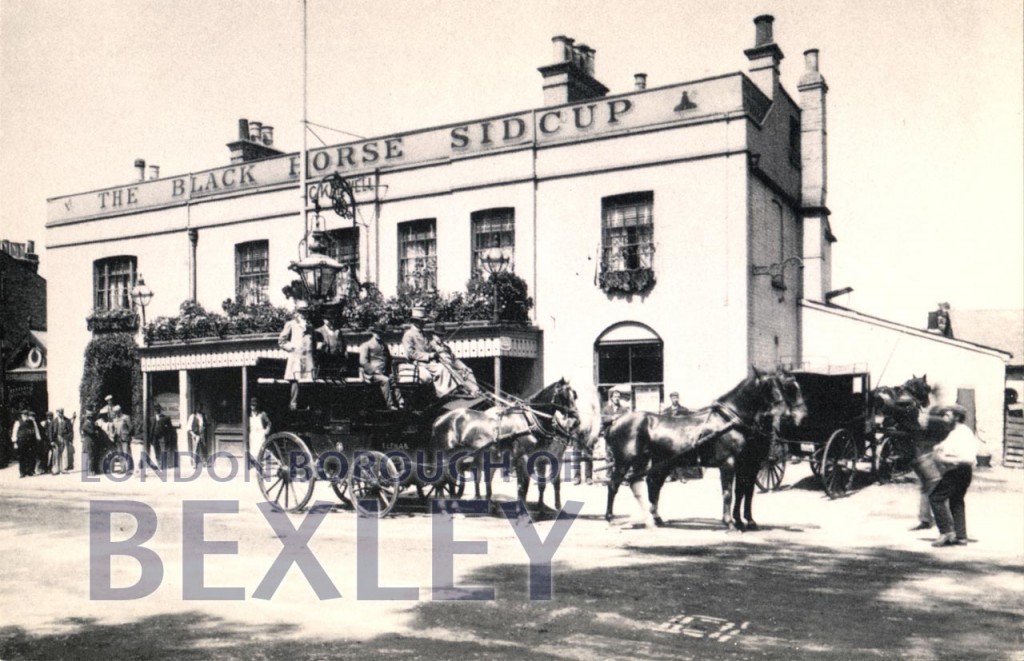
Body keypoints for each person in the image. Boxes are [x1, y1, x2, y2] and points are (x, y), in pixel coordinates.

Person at [928, 405, 978, 547]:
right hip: (961, 471)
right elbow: (943, 445)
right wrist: (938, 449)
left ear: (956, 417)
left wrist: (945, 459)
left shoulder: (962, 433)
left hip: (958, 470)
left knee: (935, 498)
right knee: (956, 500)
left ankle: (946, 532)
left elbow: (968, 457)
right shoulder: (956, 432)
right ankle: (961, 536)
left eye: (947, 415)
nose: (944, 418)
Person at [401, 311, 453, 397]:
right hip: (417, 364)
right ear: (416, 321)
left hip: (427, 363)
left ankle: (446, 393)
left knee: (445, 368)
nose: (424, 323)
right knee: (439, 370)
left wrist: (437, 350)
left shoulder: (422, 333)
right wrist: (430, 356)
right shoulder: (408, 335)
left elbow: (428, 347)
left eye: (424, 322)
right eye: (422, 322)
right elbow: (411, 353)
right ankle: (442, 395)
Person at [278, 307, 316, 410]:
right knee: (295, 381)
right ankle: (293, 404)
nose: (304, 314)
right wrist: (292, 347)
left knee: (308, 381)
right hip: (296, 357)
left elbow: (314, 343)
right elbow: (281, 341)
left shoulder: (310, 326)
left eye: (306, 312)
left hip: (307, 357)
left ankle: (308, 406)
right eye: (302, 312)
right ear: (297, 312)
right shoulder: (291, 324)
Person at [428, 324, 480, 396]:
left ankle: (475, 391)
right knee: (451, 372)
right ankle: (451, 392)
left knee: (467, 370)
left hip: (451, 367)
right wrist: (437, 350)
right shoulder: (430, 346)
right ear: (433, 336)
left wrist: (463, 367)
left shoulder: (446, 347)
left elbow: (455, 360)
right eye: (438, 336)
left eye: (442, 336)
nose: (440, 338)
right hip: (440, 368)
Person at [360, 325, 401, 409]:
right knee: (385, 380)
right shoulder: (367, 345)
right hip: (372, 374)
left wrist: (391, 371)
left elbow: (389, 359)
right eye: (377, 333)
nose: (379, 335)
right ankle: (390, 405)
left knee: (393, 378)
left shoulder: (384, 345)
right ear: (373, 333)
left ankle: (400, 402)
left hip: (384, 372)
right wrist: (374, 370)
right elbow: (363, 361)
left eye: (381, 333)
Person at [12, 408, 41, 478]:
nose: (26, 416)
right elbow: (14, 432)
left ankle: (30, 471)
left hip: (31, 442)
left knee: (31, 456)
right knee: (22, 457)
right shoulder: (18, 422)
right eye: (24, 415)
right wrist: (14, 442)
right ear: (21, 415)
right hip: (21, 442)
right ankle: (22, 472)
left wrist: (38, 438)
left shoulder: (32, 422)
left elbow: (36, 430)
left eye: (27, 415)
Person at [148, 404, 177, 470]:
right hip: (155, 438)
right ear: (154, 410)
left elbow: (170, 428)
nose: (157, 411)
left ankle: (163, 465)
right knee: (157, 451)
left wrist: (168, 436)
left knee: (163, 450)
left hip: (163, 437)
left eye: (158, 409)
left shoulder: (166, 418)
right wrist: (151, 438)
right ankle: (159, 463)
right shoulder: (152, 419)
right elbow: (150, 429)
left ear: (160, 410)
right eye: (156, 409)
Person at [54, 408, 76, 473]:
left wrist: (67, 437)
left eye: (61, 413)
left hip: (64, 438)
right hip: (57, 439)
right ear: (57, 413)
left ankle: (64, 468)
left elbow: (70, 430)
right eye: (59, 413)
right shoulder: (54, 421)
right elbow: (51, 431)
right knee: (57, 454)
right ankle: (57, 469)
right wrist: (52, 440)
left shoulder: (67, 420)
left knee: (64, 454)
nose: (60, 414)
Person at [80, 409, 100, 475]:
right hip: (88, 441)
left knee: (91, 456)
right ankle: (89, 471)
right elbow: (91, 432)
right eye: (90, 417)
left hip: (91, 441)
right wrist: (95, 432)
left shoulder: (91, 423)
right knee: (89, 455)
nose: (91, 418)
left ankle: (91, 470)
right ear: (88, 417)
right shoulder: (86, 424)